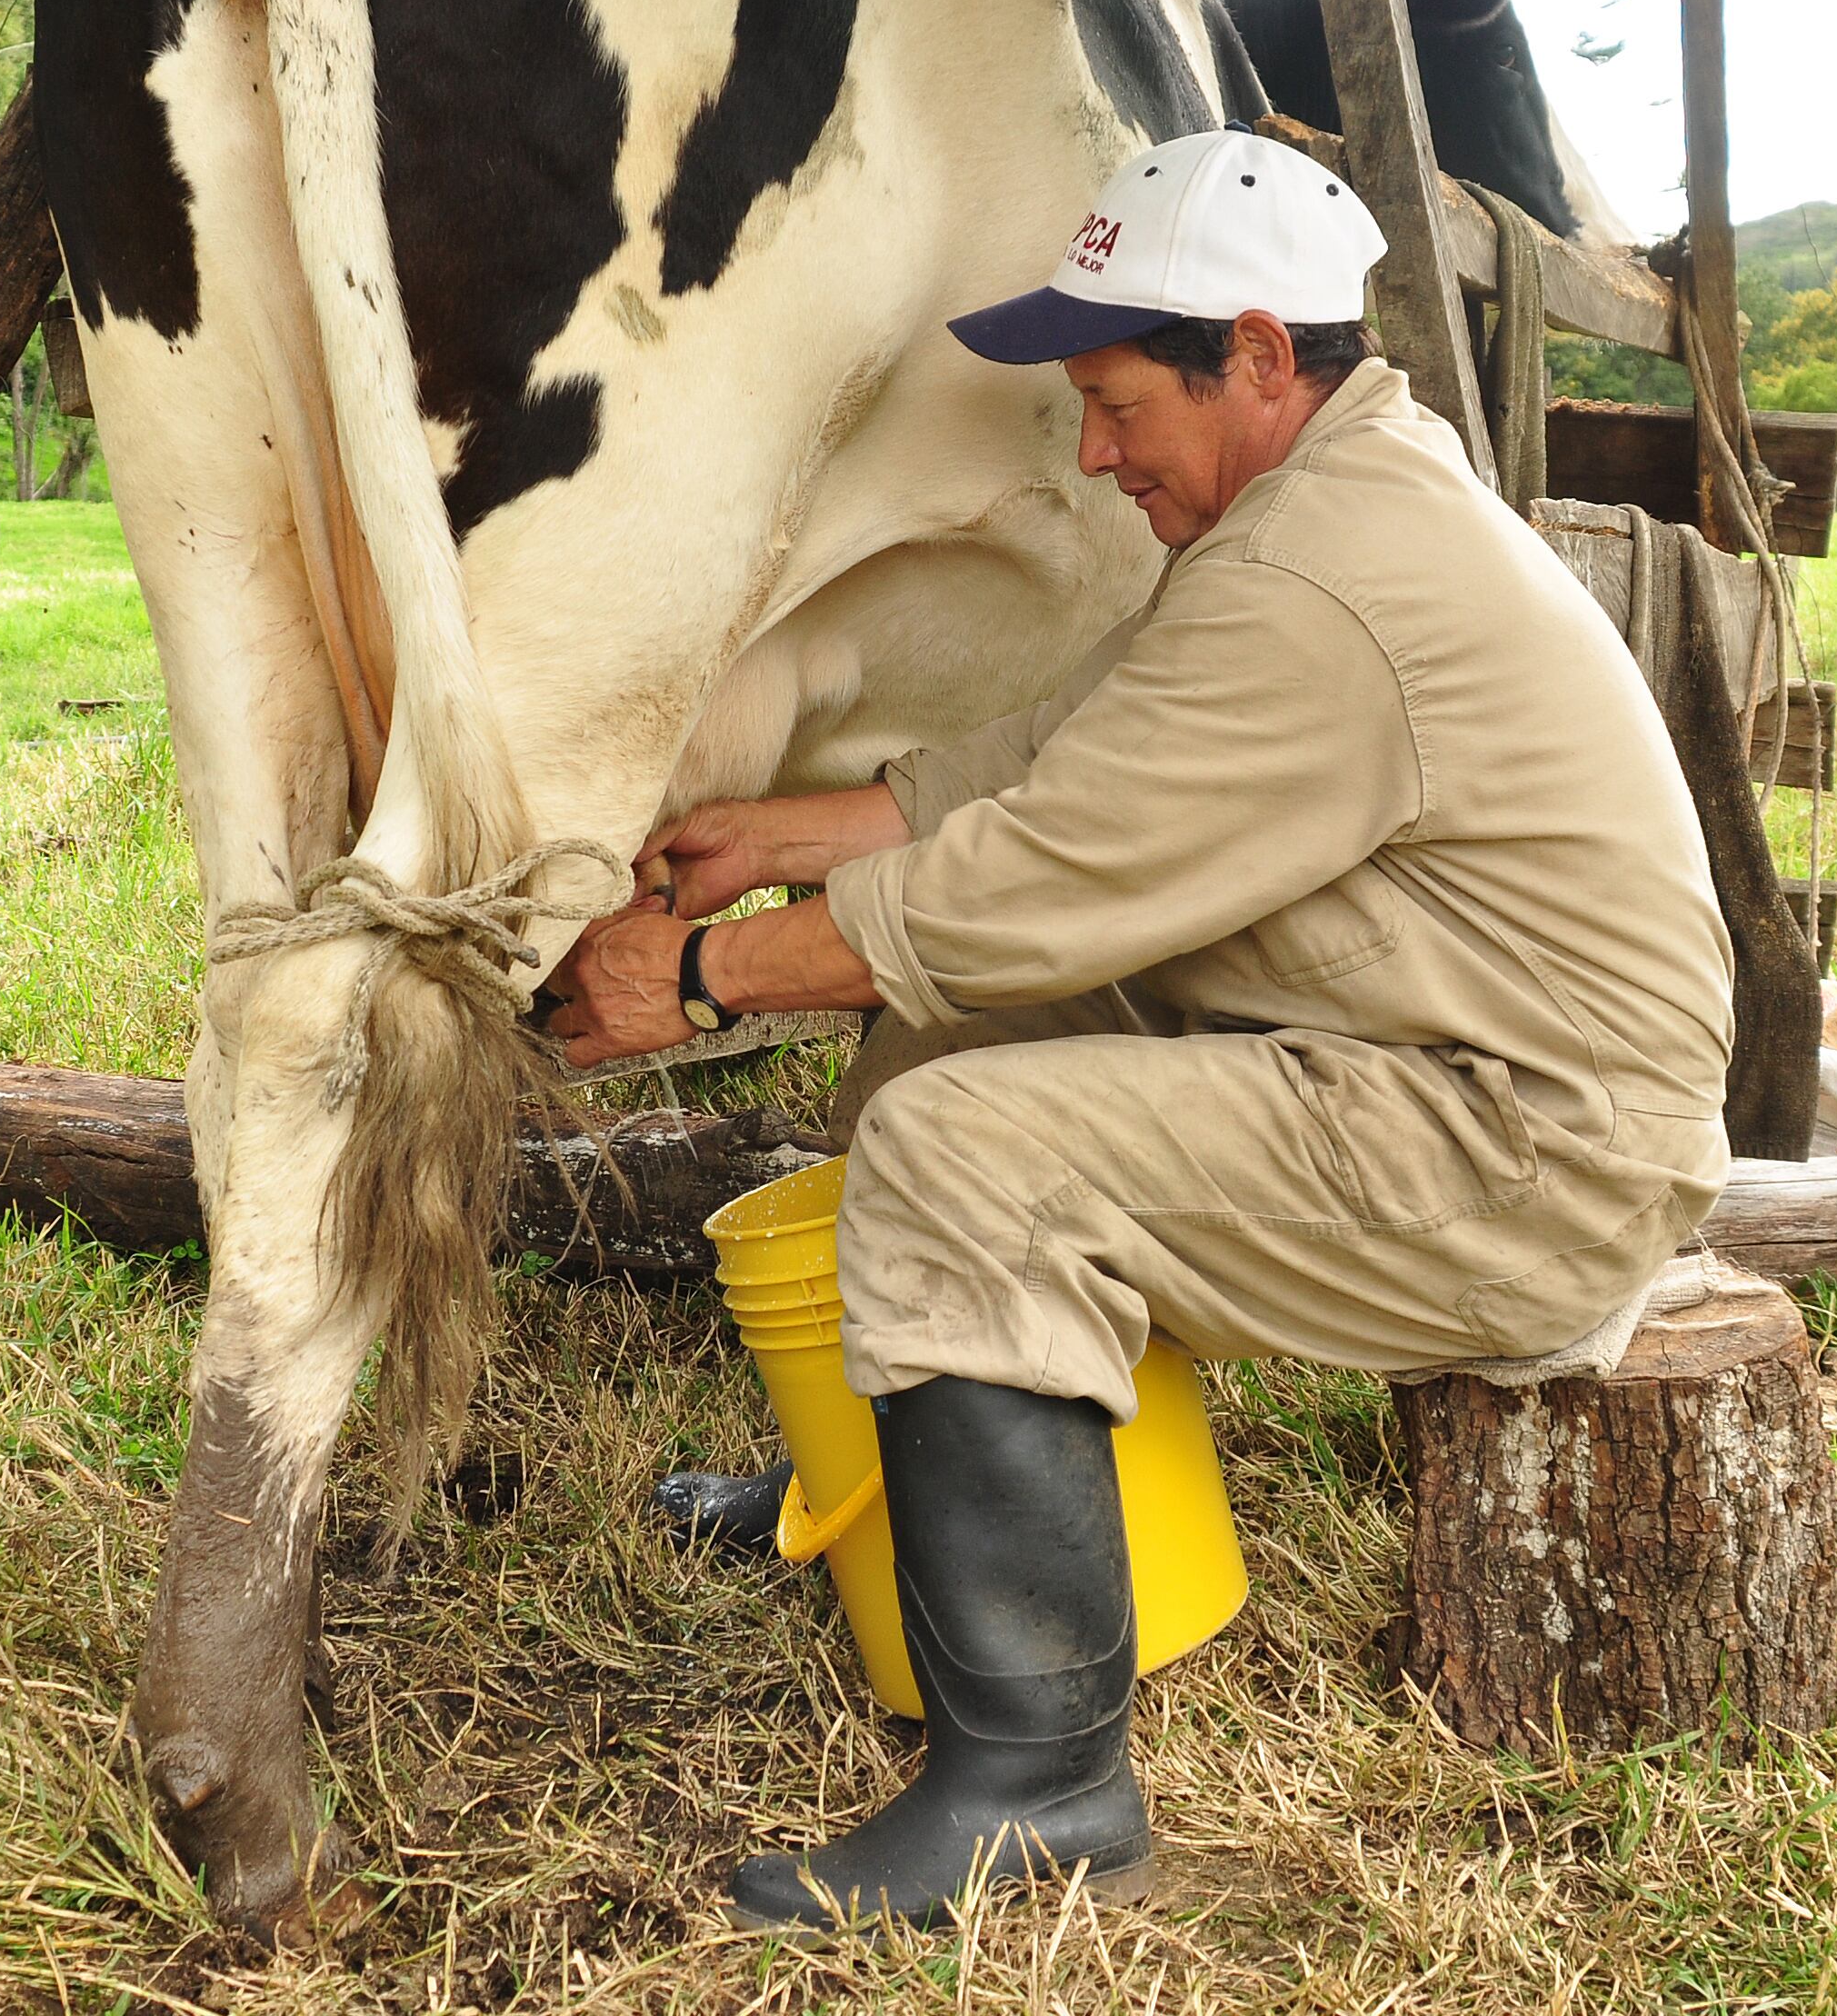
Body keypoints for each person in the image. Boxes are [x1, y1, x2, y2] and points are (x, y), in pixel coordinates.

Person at [544, 127, 1734, 1931]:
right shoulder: (1320, 500)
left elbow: (1031, 877)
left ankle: (1041, 1789)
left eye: (1115, 403)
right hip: (1437, 1060)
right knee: (961, 1049)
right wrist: (770, 840)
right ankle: (890, 1478)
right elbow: (1045, 774)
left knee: (966, 1146)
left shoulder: (1321, 579)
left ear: (1260, 354)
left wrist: (695, 978)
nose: (1096, 454)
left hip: (1530, 1157)